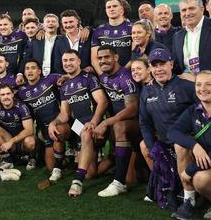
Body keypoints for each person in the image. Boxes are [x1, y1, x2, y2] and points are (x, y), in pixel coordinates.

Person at [139, 48, 196, 209]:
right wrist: (153, 148)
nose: (158, 69)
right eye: (154, 65)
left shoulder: (187, 86)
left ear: (171, 64)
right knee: (144, 146)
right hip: (163, 142)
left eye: (162, 64)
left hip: (187, 141)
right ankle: (167, 185)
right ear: (149, 68)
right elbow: (144, 122)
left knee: (180, 147)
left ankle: (187, 194)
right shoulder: (147, 90)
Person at [49, 50, 108, 197]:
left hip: (95, 123)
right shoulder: (64, 85)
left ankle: (77, 181)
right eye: (65, 61)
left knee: (86, 133)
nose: (68, 63)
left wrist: (94, 122)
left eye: (71, 60)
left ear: (79, 62)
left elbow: (102, 101)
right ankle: (59, 167)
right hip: (77, 125)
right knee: (58, 129)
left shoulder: (89, 78)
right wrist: (53, 123)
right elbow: (64, 114)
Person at [95, 47, 140, 197]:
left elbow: (133, 109)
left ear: (116, 57)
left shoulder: (126, 77)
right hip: (120, 129)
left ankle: (118, 182)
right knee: (131, 179)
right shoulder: (104, 78)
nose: (103, 61)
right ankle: (116, 159)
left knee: (118, 126)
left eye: (106, 57)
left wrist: (107, 123)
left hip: (137, 125)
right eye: (100, 58)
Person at [168, 70, 211, 220]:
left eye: (208, 84)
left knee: (200, 179)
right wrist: (194, 145)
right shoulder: (194, 110)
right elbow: (172, 132)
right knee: (180, 145)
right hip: (207, 160)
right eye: (198, 84)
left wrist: (190, 170)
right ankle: (189, 201)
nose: (202, 89)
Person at [17, 59, 65, 185]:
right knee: (50, 167)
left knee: (58, 133)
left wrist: (64, 77)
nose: (30, 71)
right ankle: (50, 153)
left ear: (39, 71)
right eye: (27, 69)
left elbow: (68, 77)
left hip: (62, 122)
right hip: (44, 129)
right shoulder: (22, 92)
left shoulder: (51, 79)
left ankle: (69, 152)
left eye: (33, 68)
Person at [0, 84, 35, 169]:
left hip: (22, 141)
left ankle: (31, 157)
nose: (6, 97)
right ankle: (6, 160)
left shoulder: (21, 107)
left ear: (13, 94)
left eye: (8, 94)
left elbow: (29, 130)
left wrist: (12, 141)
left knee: (30, 141)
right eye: (2, 95)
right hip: (8, 140)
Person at [91, 0, 133, 74]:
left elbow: (136, 55)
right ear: (106, 10)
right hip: (107, 76)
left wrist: (123, 72)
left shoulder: (132, 28)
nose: (111, 9)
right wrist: (102, 76)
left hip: (129, 73)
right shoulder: (98, 31)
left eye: (114, 6)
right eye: (109, 7)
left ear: (121, 10)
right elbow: (94, 59)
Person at [172, 0, 211, 76]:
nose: (187, 13)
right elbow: (177, 67)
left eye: (191, 8)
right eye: (184, 10)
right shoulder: (177, 37)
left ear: (202, 9)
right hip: (189, 86)